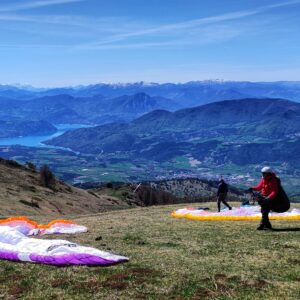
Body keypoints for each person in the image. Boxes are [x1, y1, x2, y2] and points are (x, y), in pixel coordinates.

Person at [248, 166, 289, 230]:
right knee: (264, 211)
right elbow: (259, 187)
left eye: (264, 173)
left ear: (268, 174)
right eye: (263, 173)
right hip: (266, 197)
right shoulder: (264, 179)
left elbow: (274, 191)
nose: (263, 174)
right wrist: (252, 188)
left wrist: (268, 198)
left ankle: (263, 225)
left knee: (264, 210)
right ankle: (266, 225)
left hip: (272, 198)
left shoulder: (273, 180)